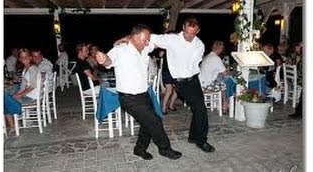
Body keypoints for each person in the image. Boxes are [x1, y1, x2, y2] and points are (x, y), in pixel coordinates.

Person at [95, 24, 182, 160]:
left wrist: (178, 37)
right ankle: (165, 149)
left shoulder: (145, 46)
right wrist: (103, 59)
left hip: (143, 95)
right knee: (155, 121)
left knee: (147, 122)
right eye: (145, 40)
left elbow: (159, 40)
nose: (148, 43)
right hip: (129, 98)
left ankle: (139, 149)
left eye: (148, 40)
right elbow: (109, 60)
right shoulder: (120, 49)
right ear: (135, 38)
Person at [149, 16, 215, 153]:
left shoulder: (200, 45)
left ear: (198, 31)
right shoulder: (172, 40)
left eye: (193, 33)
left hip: (193, 80)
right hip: (180, 82)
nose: (189, 36)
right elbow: (149, 37)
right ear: (183, 28)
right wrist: (129, 39)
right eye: (187, 32)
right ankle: (201, 140)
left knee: (199, 109)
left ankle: (193, 137)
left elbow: (194, 65)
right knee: (201, 109)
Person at [4, 48, 39, 135]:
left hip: (32, 97)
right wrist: (17, 94)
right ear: (19, 59)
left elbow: (33, 86)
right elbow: (22, 87)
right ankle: (13, 124)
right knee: (6, 97)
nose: (24, 59)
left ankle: (16, 117)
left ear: (30, 57)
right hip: (28, 95)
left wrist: (19, 95)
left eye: (26, 57)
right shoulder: (25, 70)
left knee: (5, 99)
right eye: (22, 57)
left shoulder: (32, 68)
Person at [199, 40, 229, 112]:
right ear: (220, 49)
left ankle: (220, 104)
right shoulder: (216, 58)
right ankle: (224, 106)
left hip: (200, 83)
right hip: (206, 86)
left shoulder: (208, 56)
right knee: (225, 85)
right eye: (222, 48)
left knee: (220, 82)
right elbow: (225, 73)